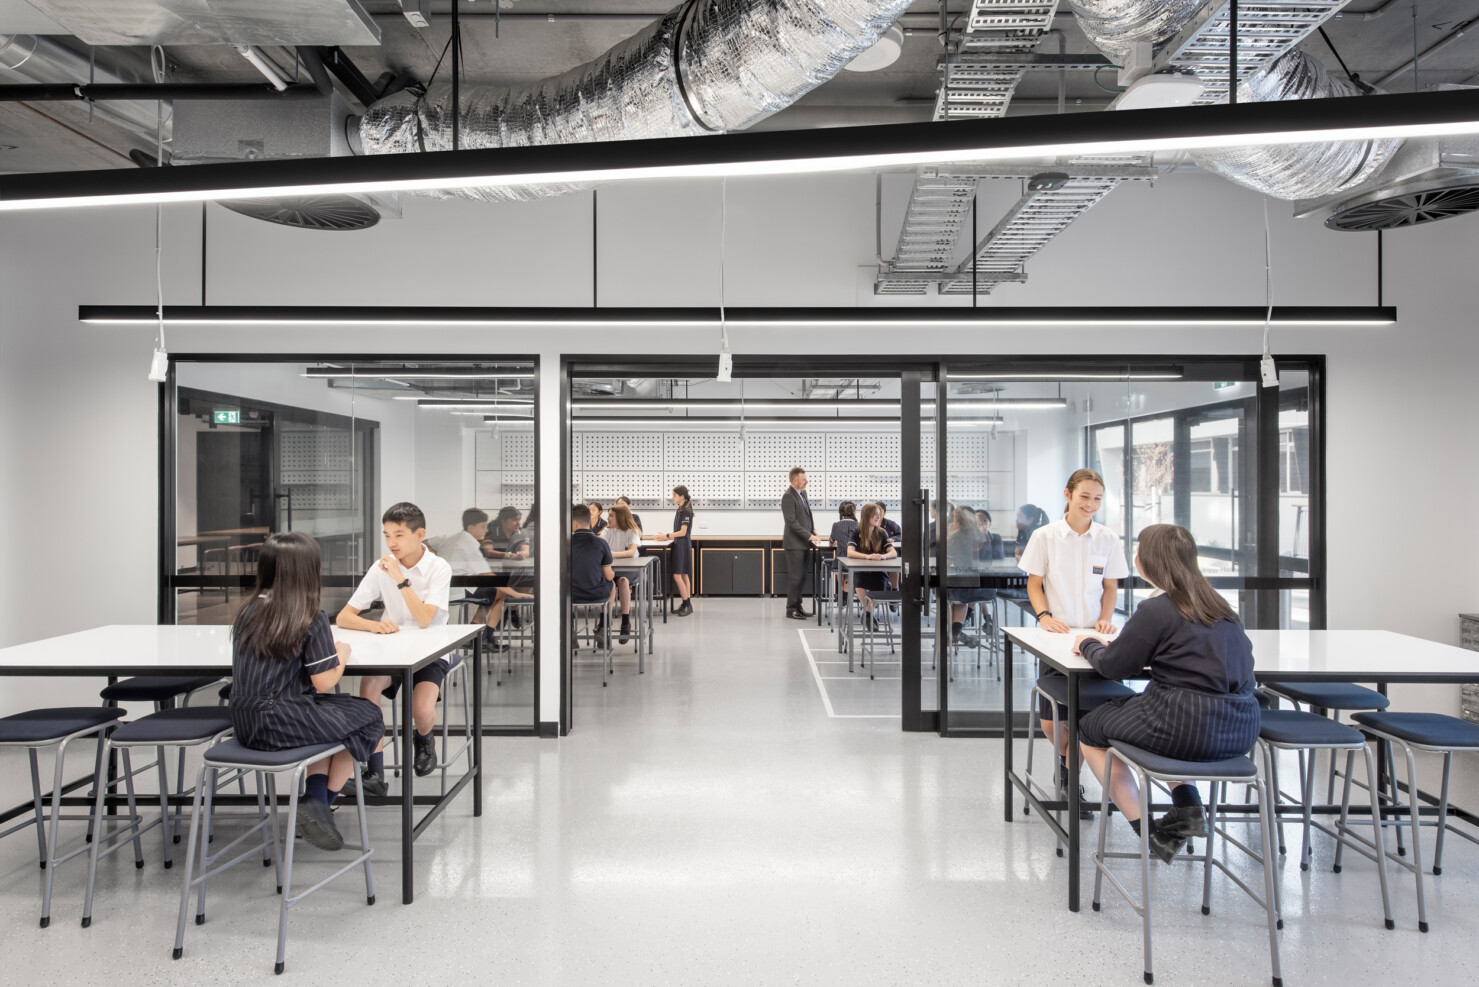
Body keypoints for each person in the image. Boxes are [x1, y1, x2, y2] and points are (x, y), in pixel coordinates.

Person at [1073, 524, 1259, 864]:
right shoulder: (1222, 607)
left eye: (1139, 550)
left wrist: (1087, 644)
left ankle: (1150, 834)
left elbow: (1113, 666)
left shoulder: (1157, 609)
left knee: (1091, 729)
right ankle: (1188, 806)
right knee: (1167, 725)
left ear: (1149, 561)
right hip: (1239, 730)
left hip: (1179, 723)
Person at [230, 531, 385, 851]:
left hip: (244, 723)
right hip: (283, 721)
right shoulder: (308, 615)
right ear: (309, 570)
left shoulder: (246, 610)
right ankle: (318, 802)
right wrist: (341, 652)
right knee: (367, 716)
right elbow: (325, 681)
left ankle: (316, 804)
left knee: (338, 718)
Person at [1020, 468, 1129, 818]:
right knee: (1054, 719)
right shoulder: (1045, 536)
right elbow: (1034, 583)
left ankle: (1070, 777)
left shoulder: (1108, 538)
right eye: (1085, 496)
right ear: (1068, 495)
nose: (1091, 504)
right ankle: (1066, 764)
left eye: (1097, 498)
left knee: (1088, 715)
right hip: (1057, 638)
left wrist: (1106, 618)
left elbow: (1110, 586)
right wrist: (1043, 616)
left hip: (1096, 640)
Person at [336, 501, 452, 783]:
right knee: (368, 690)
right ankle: (374, 771)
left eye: (399, 535)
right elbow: (344, 617)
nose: (391, 543)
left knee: (422, 710)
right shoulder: (381, 567)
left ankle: (423, 739)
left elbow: (425, 619)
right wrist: (373, 625)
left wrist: (401, 579)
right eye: (387, 535)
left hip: (430, 651)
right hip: (390, 650)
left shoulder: (438, 568)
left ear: (419, 534)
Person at [445, 508, 530, 653]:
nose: (485, 531)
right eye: (483, 527)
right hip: (460, 589)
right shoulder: (471, 545)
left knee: (492, 595)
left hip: (454, 586)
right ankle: (486, 638)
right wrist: (516, 594)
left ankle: (475, 635)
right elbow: (489, 578)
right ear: (471, 528)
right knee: (501, 594)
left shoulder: (456, 538)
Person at [946, 506, 996, 650]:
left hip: (964, 590)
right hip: (986, 590)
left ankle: (953, 631)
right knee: (960, 590)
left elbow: (948, 563)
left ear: (956, 521)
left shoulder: (954, 538)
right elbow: (989, 563)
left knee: (945, 592)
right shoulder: (983, 536)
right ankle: (956, 630)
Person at [571, 500, 616, 640]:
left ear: (574, 523)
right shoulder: (601, 543)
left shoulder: (565, 544)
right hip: (596, 593)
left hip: (571, 594)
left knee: (566, 588)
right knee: (612, 585)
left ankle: (570, 631)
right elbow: (608, 576)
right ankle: (603, 626)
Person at [780, 466, 821, 620]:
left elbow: (806, 517)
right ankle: (791, 610)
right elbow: (792, 522)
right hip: (795, 544)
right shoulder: (788, 496)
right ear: (795, 481)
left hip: (803, 543)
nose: (807, 481)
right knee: (795, 578)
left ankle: (798, 606)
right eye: (804, 480)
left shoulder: (802, 493)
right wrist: (809, 536)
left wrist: (813, 529)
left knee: (802, 577)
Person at [846, 502, 896, 624]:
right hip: (861, 569)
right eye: (875, 515)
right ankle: (869, 614)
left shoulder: (882, 532)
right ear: (867, 516)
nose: (878, 518)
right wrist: (868, 557)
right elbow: (850, 552)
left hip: (878, 571)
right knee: (859, 578)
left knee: (881, 581)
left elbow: (893, 552)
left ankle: (867, 614)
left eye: (879, 515)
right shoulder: (856, 532)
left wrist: (883, 557)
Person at [602, 502, 643, 643]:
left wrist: (611, 554)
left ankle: (625, 621)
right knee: (609, 583)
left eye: (611, 516)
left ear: (620, 517)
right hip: (612, 567)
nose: (608, 519)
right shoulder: (607, 530)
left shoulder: (632, 531)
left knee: (623, 581)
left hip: (628, 568)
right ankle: (604, 623)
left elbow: (631, 552)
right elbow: (601, 547)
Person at [653, 486, 694, 616]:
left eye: (674, 495)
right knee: (684, 575)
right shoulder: (681, 509)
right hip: (681, 544)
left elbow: (682, 532)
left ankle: (687, 604)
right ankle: (686, 603)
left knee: (677, 575)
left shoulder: (685, 511)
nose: (673, 497)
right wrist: (667, 536)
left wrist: (667, 535)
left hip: (682, 545)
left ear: (682, 496)